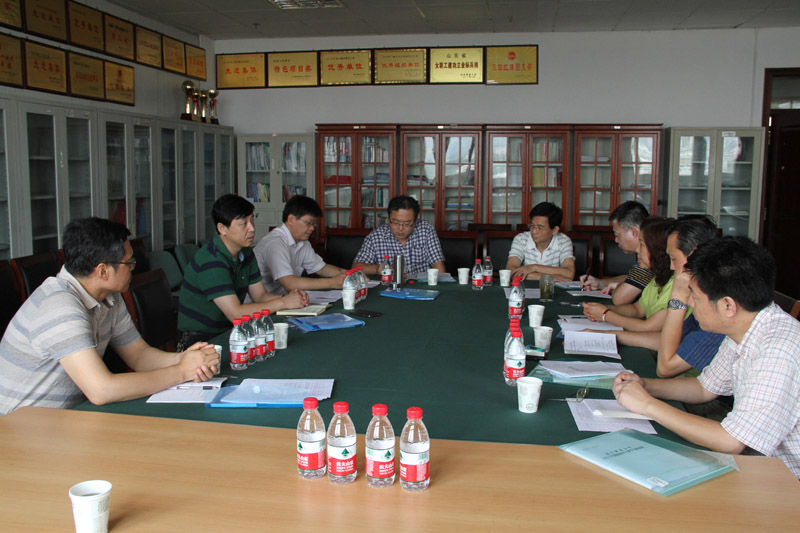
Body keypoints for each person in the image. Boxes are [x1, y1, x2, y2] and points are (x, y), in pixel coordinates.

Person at [613, 237, 800, 478]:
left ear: (727, 306)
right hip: (762, 466)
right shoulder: (745, 327)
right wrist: (645, 386)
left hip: (785, 481)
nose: (690, 303)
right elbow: (703, 388)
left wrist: (647, 405)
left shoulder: (777, 350)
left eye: (695, 296)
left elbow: (731, 441)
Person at [0, 217, 220, 415]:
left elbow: (139, 355)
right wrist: (181, 372)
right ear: (103, 271)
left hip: (62, 419)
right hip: (16, 430)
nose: (133, 268)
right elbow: (101, 390)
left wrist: (184, 359)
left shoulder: (108, 297)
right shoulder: (59, 305)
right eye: (129, 263)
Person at [178, 194, 307, 345]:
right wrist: (283, 302)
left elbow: (260, 296)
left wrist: (292, 298)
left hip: (233, 331)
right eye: (243, 223)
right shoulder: (211, 261)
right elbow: (236, 314)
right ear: (222, 228)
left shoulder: (245, 252)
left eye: (252, 220)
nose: (252, 228)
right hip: (201, 339)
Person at [583, 217, 678, 333]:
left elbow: (648, 327)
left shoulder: (675, 284)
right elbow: (637, 309)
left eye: (642, 244)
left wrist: (605, 315)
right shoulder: (656, 278)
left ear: (657, 249)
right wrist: (603, 309)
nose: (637, 250)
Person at [254, 195, 347, 294]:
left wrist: (350, 274)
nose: (312, 228)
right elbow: (289, 283)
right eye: (308, 223)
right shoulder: (275, 243)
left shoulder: (303, 242)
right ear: (291, 219)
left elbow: (321, 269)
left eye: (313, 224)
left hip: (285, 299)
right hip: (263, 302)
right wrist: (332, 283)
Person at [580, 201, 653, 305]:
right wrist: (600, 283)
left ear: (634, 232)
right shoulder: (648, 249)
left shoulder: (649, 257)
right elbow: (631, 278)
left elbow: (619, 299)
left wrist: (617, 287)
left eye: (617, 234)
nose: (616, 240)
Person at [353, 195, 445, 275]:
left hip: (421, 285)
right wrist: (377, 269)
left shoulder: (426, 229)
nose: (400, 228)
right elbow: (356, 266)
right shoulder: (376, 237)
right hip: (390, 286)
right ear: (388, 218)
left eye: (406, 223)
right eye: (395, 222)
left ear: (415, 221)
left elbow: (437, 264)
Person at [506, 202, 575, 281]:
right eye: (532, 226)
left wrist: (534, 267)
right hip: (528, 287)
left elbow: (569, 274)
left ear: (555, 230)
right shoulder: (521, 239)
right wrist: (552, 277)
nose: (534, 231)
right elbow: (511, 271)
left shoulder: (563, 241)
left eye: (540, 228)